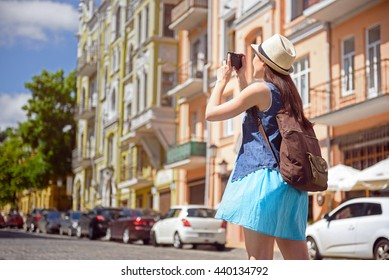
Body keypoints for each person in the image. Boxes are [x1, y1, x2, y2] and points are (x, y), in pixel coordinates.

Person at [205, 34, 310, 260]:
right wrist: (241, 77)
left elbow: (210, 114)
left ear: (263, 62)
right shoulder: (289, 94)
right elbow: (256, 112)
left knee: (259, 261)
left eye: (254, 56)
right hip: (291, 186)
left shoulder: (261, 90)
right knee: (299, 262)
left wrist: (222, 81)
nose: (251, 60)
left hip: (262, 181)